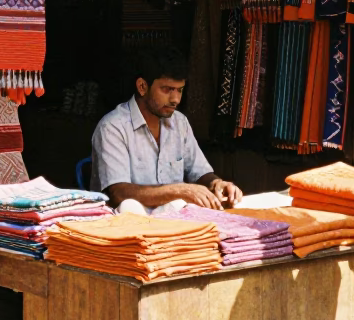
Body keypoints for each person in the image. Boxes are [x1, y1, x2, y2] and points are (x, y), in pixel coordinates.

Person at [91, 49, 243, 211]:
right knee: (130, 206)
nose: (175, 99)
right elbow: (118, 193)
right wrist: (180, 190)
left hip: (173, 219)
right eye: (167, 89)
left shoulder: (180, 123)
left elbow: (200, 172)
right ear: (142, 87)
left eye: (180, 90)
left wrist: (217, 183)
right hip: (127, 225)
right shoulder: (112, 127)